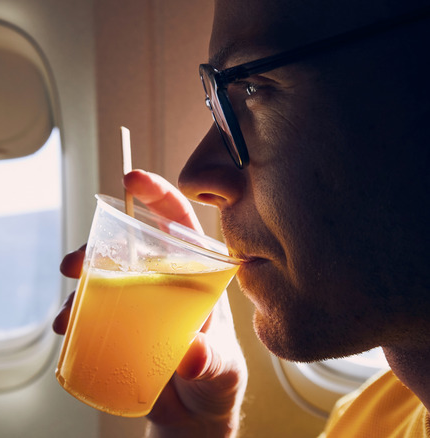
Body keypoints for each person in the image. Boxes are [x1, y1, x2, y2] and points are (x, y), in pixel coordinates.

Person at [53, 0, 430, 436]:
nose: (194, 178)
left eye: (252, 87)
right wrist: (195, 430)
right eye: (217, 102)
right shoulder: (365, 420)